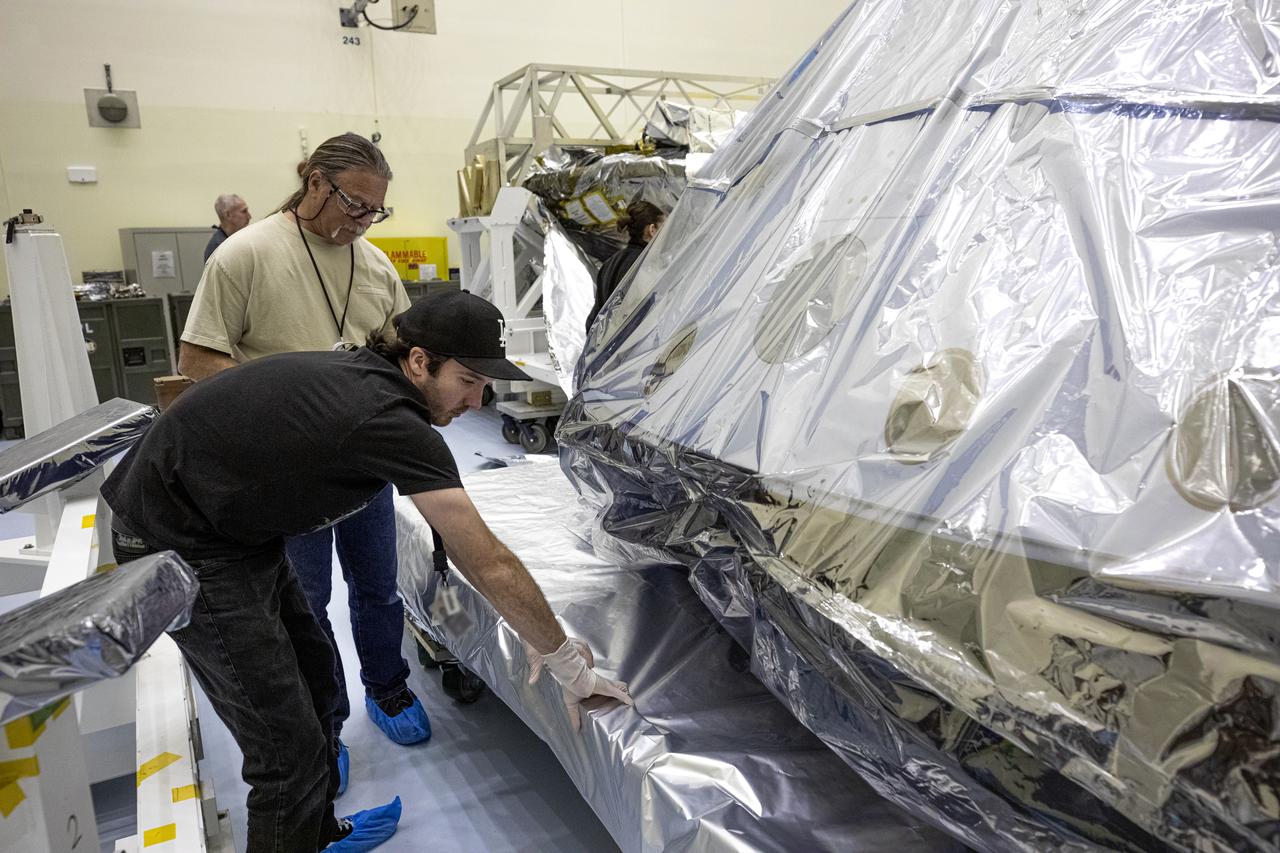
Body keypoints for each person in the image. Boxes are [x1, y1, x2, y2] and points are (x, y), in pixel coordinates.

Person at [104, 290, 633, 853]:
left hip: (228, 526)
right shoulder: (385, 418)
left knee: (318, 682)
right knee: (285, 753)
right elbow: (487, 561)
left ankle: (317, 835)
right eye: (467, 381)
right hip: (177, 542)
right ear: (419, 361)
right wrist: (565, 662)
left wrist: (532, 627)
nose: (477, 401)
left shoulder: (368, 377)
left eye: (485, 385)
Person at [179, 134, 422, 786]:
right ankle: (323, 724)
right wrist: (283, 414)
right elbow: (197, 359)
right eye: (353, 203)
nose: (362, 220)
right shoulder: (246, 254)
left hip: (363, 468)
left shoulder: (375, 266)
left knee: (378, 587)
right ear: (314, 181)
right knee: (306, 604)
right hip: (285, 475)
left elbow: (401, 357)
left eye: (375, 210)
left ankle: (388, 685)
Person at [586, 200, 666, 331]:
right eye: (665, 229)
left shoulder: (610, 263)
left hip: (604, 340)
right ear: (652, 230)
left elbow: (594, 319)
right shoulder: (646, 267)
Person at [203, 194, 252, 261]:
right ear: (228, 215)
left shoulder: (232, 240)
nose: (249, 216)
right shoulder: (219, 249)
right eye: (244, 211)